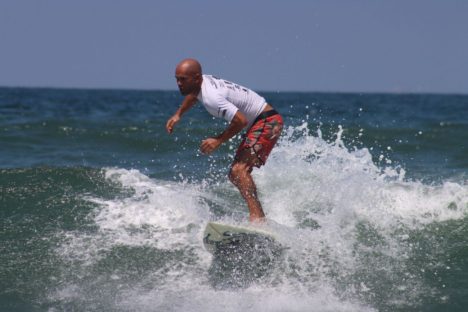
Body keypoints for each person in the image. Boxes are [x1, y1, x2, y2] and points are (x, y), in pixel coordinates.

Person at [166, 58, 283, 222]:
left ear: (197, 77)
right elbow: (194, 94)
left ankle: (258, 219)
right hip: (261, 121)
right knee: (236, 175)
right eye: (177, 79)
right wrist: (179, 114)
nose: (179, 83)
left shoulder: (212, 98)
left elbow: (240, 121)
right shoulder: (201, 83)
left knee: (238, 171)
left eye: (183, 79)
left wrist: (218, 140)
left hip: (267, 121)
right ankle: (258, 216)